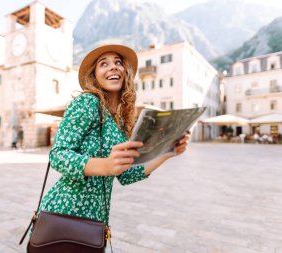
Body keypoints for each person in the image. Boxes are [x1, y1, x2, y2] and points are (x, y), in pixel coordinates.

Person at [34, 45, 190, 236]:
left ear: (126, 73)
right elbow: (58, 155)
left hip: (95, 219)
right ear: (95, 76)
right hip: (64, 213)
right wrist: (105, 165)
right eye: (103, 64)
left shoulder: (121, 121)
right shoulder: (88, 102)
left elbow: (126, 175)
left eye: (118, 62)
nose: (113, 67)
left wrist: (168, 152)